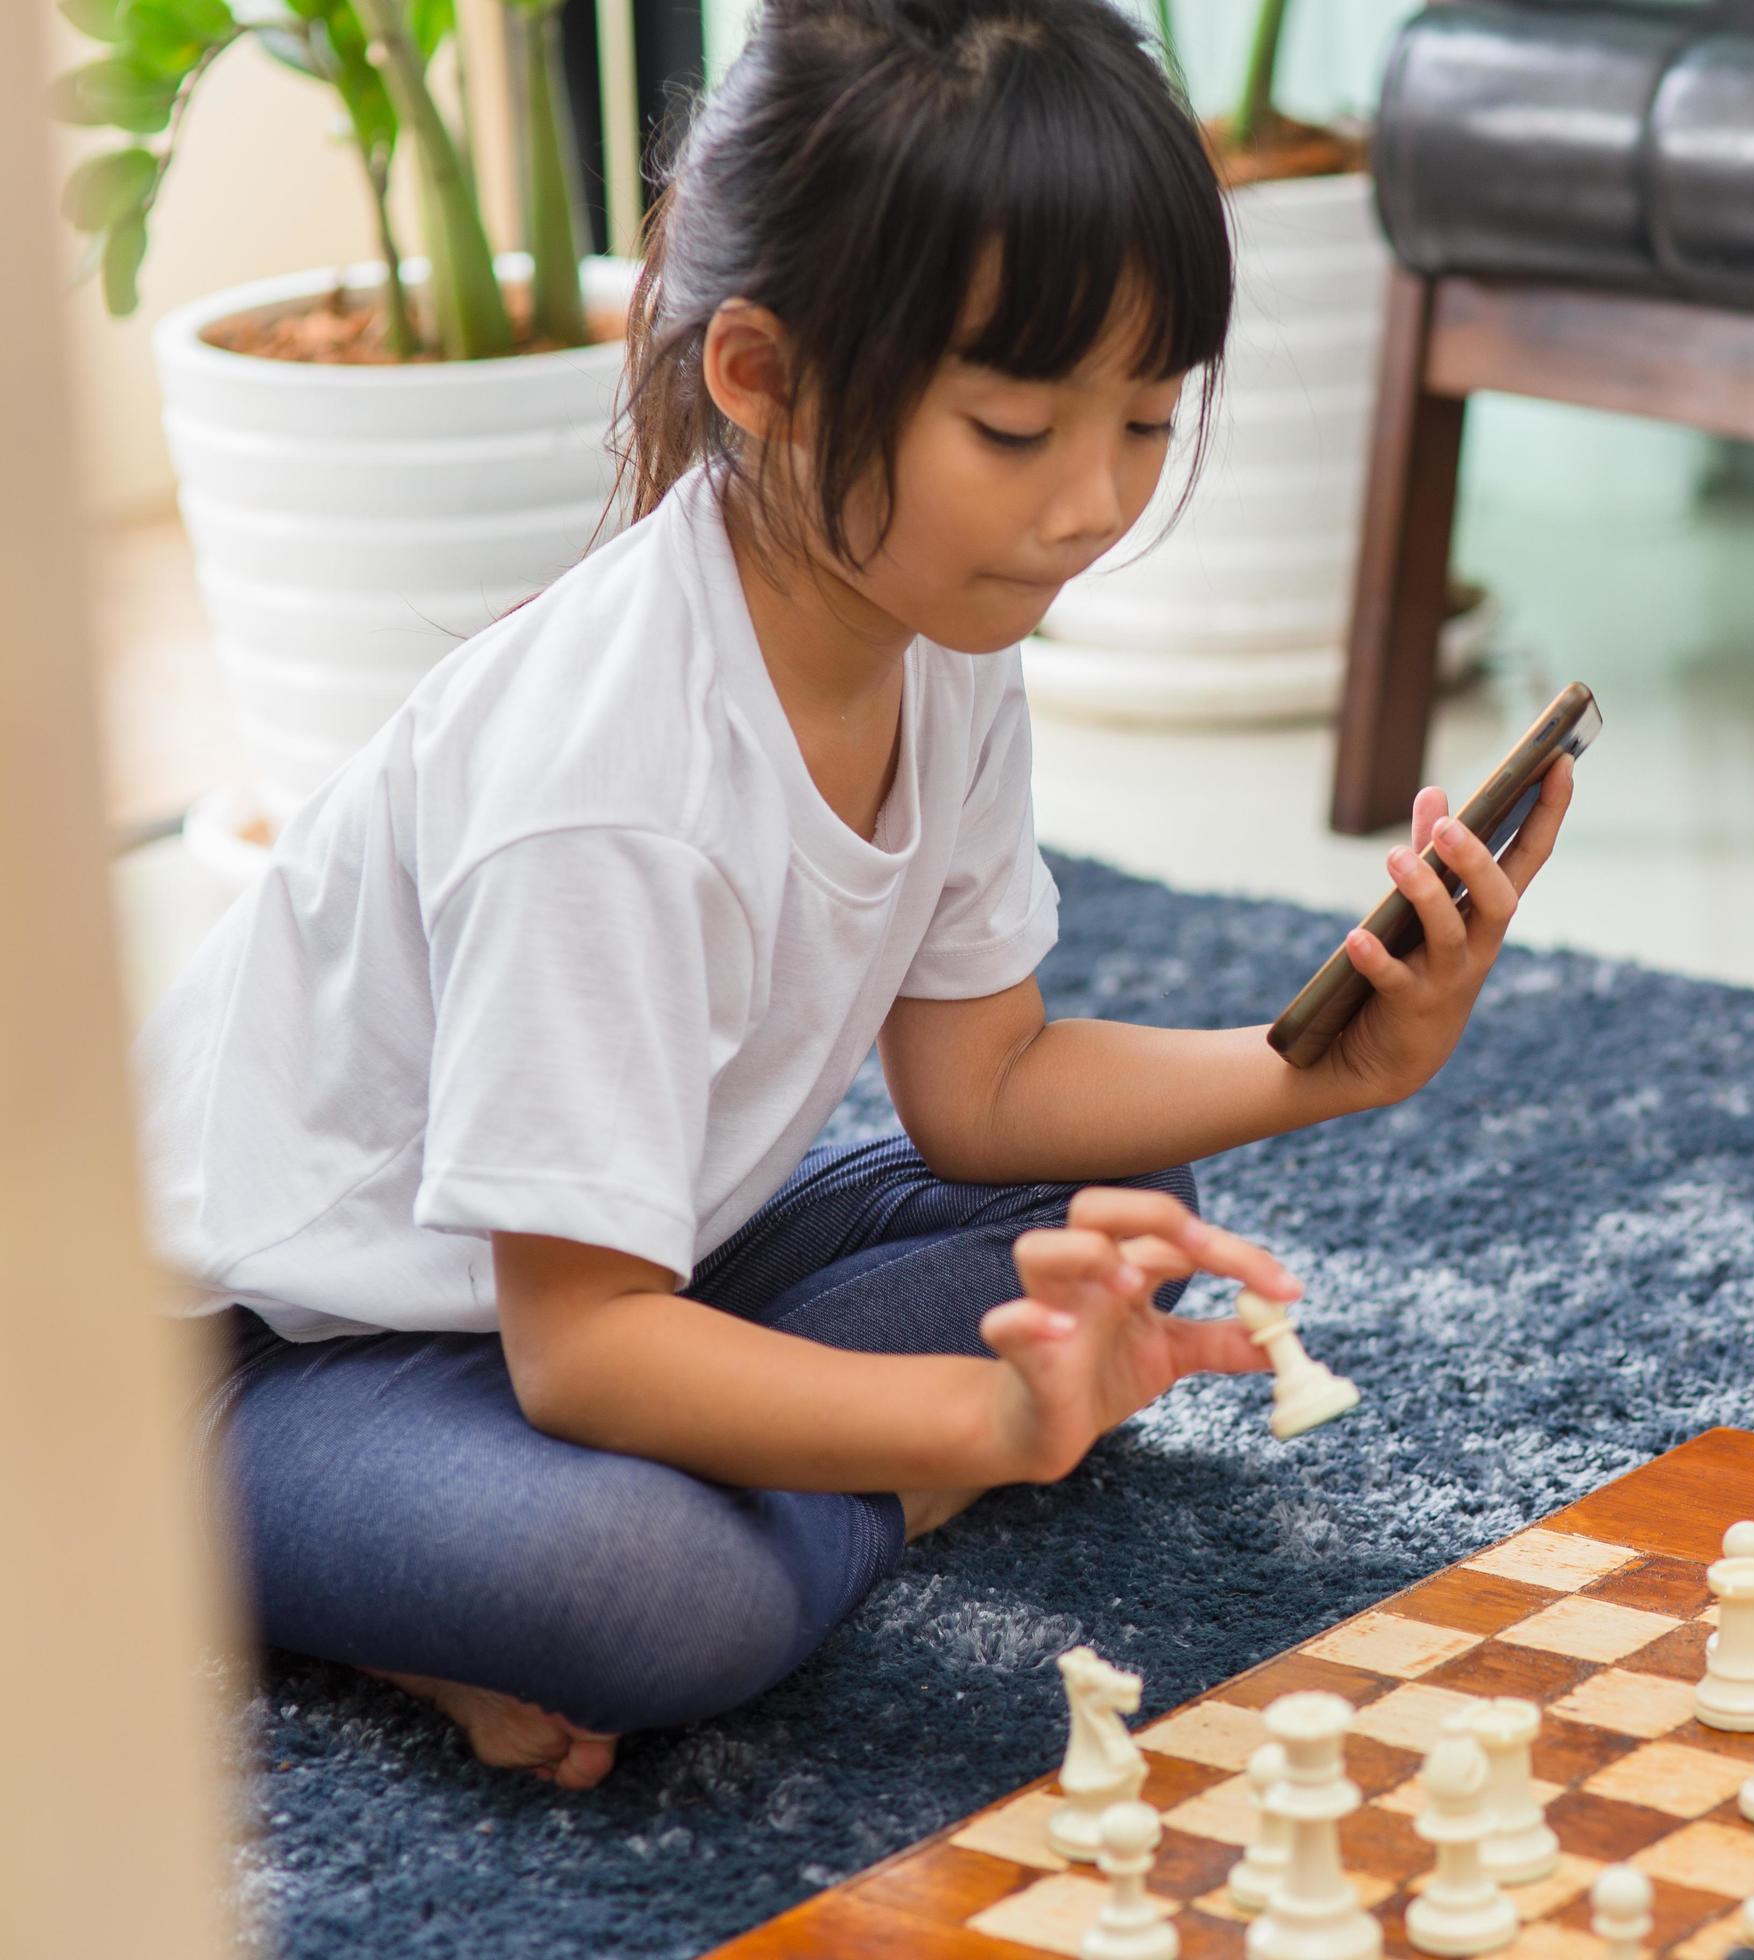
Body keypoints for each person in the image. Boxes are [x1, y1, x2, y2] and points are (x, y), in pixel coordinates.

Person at [134, 0, 1572, 1790]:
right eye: (1014, 426)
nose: (1089, 506)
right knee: (653, 1595)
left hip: (610, 1266)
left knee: (1113, 1217)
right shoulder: (605, 786)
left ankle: (734, 1481)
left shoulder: (935, 616)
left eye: (1141, 420)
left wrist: (1329, 1067)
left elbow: (982, 1097)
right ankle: (403, 1588)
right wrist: (974, 1419)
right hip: (256, 1363)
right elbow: (580, 1354)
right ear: (762, 376)